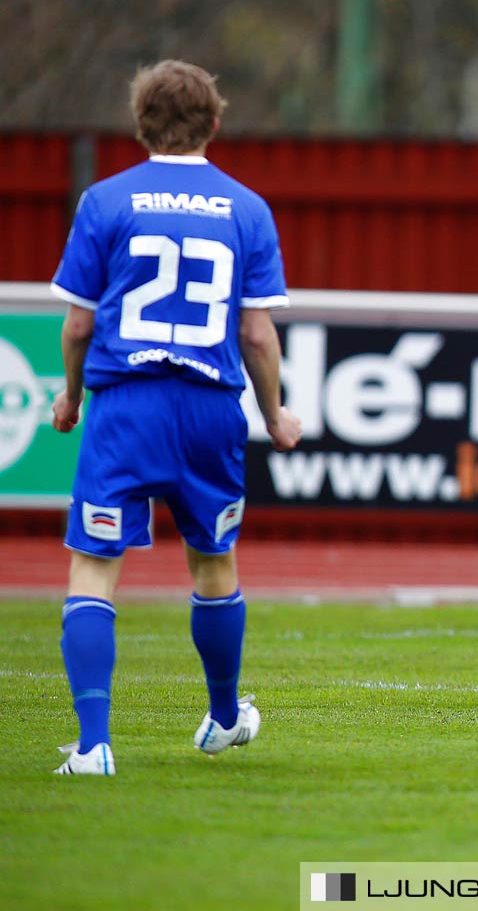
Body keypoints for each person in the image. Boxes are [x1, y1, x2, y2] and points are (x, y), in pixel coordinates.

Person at [47, 60, 303, 776]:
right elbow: (256, 333)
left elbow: (75, 326)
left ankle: (95, 747)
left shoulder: (105, 200)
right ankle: (223, 719)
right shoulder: (247, 208)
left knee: (94, 570)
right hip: (209, 410)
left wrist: (70, 397)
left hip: (125, 406)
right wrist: (276, 415)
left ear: (140, 124)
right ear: (215, 123)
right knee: (213, 564)